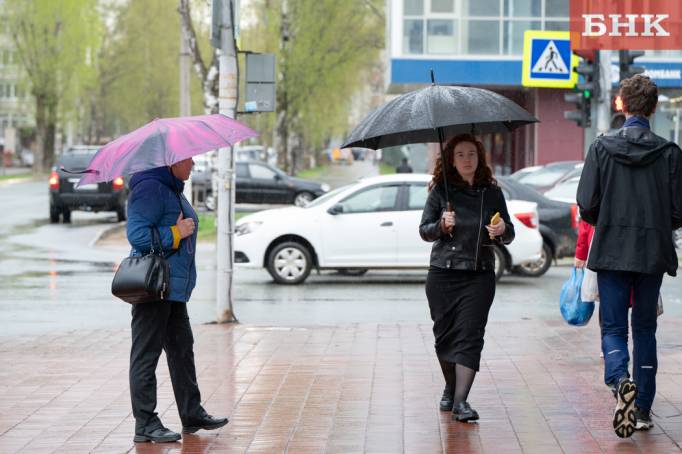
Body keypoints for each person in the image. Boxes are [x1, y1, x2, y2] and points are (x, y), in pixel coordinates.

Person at [577, 75, 682, 438]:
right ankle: (642, 408)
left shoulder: (601, 148)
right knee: (646, 329)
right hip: (652, 252)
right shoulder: (669, 153)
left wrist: (607, 219)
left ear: (620, 105)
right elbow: (679, 211)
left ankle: (620, 378)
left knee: (613, 328)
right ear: (653, 108)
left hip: (610, 252)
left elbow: (586, 205)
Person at [126, 159, 228, 443]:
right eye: (188, 159)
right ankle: (145, 423)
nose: (194, 163)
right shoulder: (150, 189)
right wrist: (175, 233)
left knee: (182, 349)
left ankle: (191, 412)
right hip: (154, 287)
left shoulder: (172, 188)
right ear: (172, 161)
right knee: (146, 355)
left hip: (172, 288)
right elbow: (136, 235)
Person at [419, 134, 515, 422]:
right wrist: (441, 225)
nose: (466, 159)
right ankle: (450, 385)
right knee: (444, 337)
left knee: (470, 337)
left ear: (479, 157)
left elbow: (509, 232)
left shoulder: (492, 192)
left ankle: (460, 402)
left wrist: (501, 232)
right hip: (443, 275)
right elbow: (424, 230)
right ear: (451, 159)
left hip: (479, 275)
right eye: (460, 154)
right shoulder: (440, 191)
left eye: (471, 153)